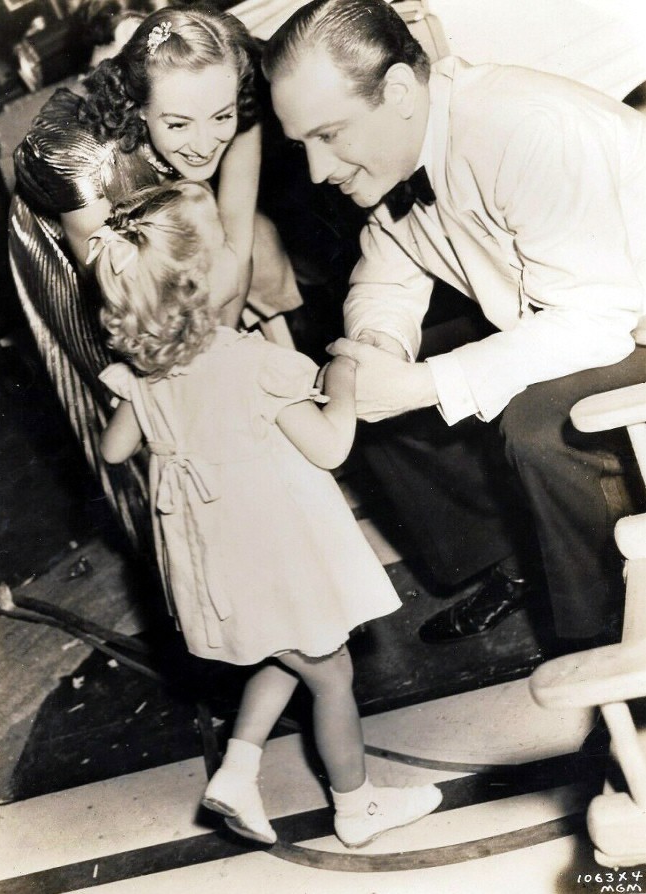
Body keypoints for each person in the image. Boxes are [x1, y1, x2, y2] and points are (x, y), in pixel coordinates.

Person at [262, 0, 646, 653]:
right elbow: (385, 273)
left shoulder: (523, 129)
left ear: (398, 92)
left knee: (535, 425)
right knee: (364, 396)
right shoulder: (405, 146)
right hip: (579, 319)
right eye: (303, 145)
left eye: (328, 136)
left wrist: (421, 384)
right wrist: (375, 349)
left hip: (623, 323)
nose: (318, 171)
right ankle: (521, 555)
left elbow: (595, 323)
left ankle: (605, 641)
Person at [93, 178, 443, 848]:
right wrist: (340, 376)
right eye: (226, 242)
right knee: (330, 669)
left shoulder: (140, 377)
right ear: (201, 279)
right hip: (274, 549)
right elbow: (331, 442)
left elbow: (114, 450)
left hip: (211, 558)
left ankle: (237, 768)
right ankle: (356, 807)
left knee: (285, 650)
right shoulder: (248, 361)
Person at [11, 4, 302, 552]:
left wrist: (221, 355)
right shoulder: (76, 154)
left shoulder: (237, 101)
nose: (203, 141)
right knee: (134, 400)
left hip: (182, 210)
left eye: (219, 117)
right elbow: (130, 306)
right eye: (178, 122)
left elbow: (234, 246)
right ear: (139, 108)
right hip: (91, 246)